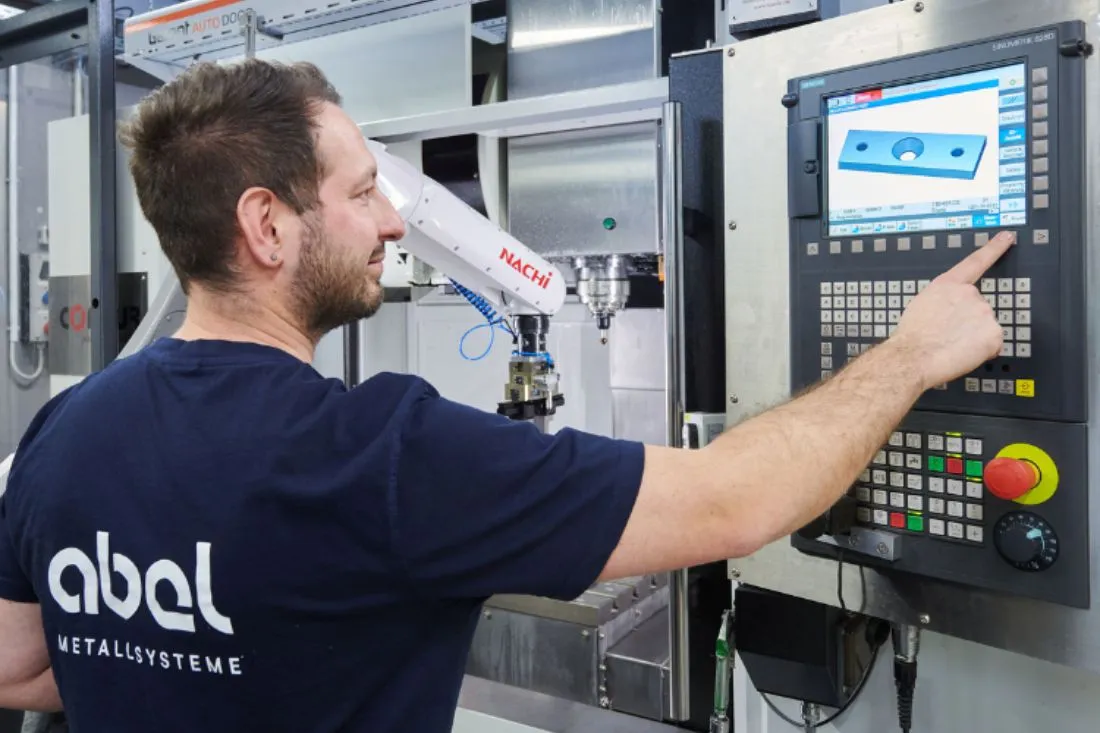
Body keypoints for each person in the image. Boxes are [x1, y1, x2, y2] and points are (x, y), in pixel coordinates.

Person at [0, 59, 1011, 731]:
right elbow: (731, 502)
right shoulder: (380, 452)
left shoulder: (63, 431)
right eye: (360, 194)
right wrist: (911, 353)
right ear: (266, 226)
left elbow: (20, 667)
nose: (392, 227)